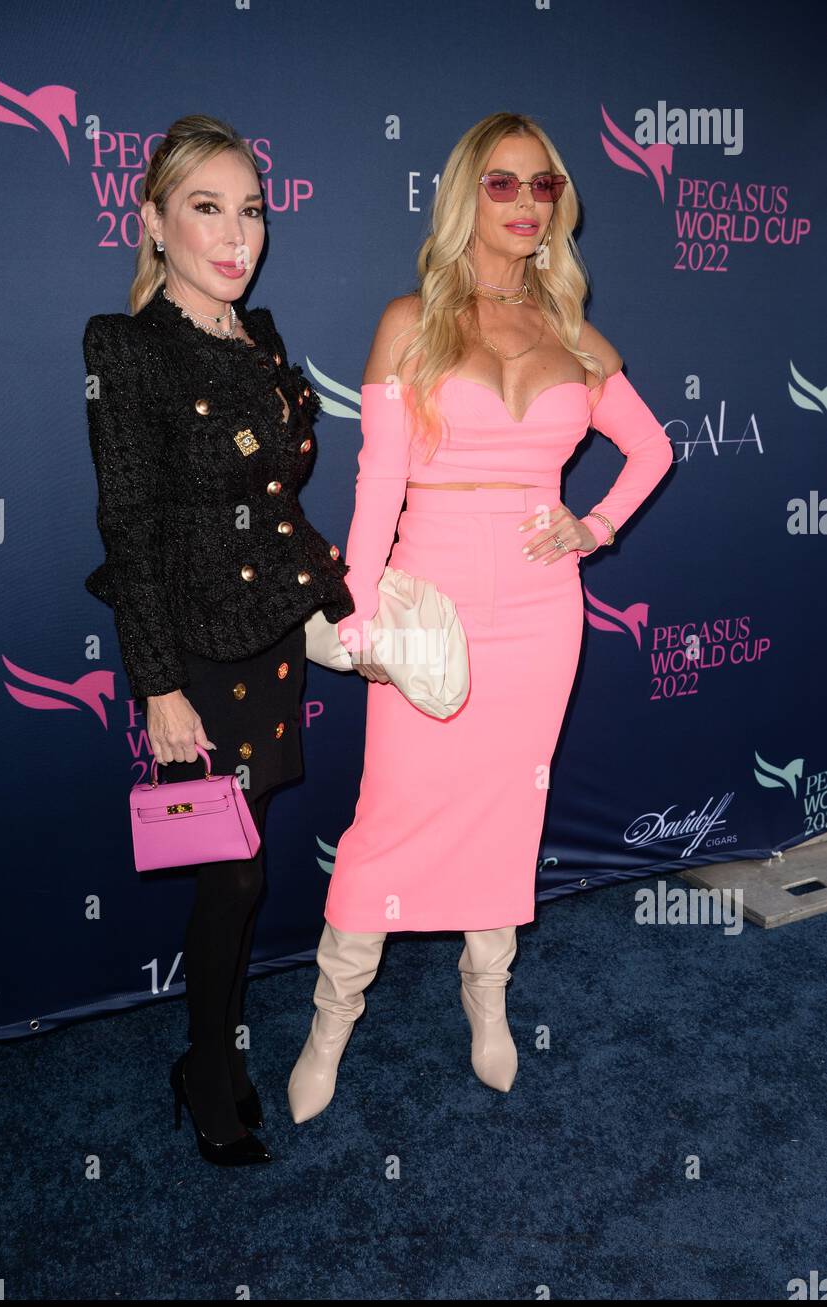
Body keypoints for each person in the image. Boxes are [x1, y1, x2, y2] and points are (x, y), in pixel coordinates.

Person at [288, 111, 675, 1123]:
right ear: (466, 194)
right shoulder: (407, 321)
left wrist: (589, 527)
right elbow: (375, 491)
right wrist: (360, 620)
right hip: (431, 607)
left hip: (542, 615)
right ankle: (331, 1020)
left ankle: (487, 998)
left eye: (542, 185)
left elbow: (655, 452)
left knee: (512, 814)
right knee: (386, 818)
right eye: (502, 184)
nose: (525, 203)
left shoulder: (574, 335)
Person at [82, 114, 355, 1165]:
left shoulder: (263, 336)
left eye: (250, 210)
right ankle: (207, 1067)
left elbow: (278, 505)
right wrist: (155, 685)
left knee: (245, 863)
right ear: (153, 221)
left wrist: (336, 600)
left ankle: (219, 1052)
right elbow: (130, 526)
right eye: (207, 208)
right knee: (231, 872)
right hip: (194, 648)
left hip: (271, 639)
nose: (235, 235)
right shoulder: (125, 348)